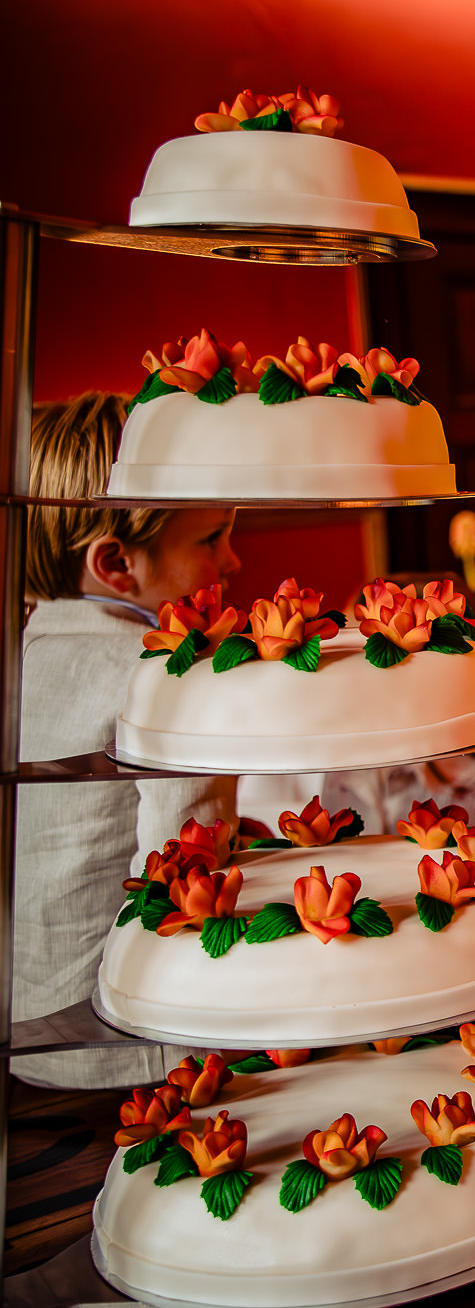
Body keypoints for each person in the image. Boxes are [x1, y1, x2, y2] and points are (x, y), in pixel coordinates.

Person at [12, 392, 239, 1090]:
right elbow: (188, 888)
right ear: (116, 564)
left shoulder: (26, 647)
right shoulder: (168, 673)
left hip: (28, 1033)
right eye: (211, 538)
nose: (232, 560)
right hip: (138, 1056)